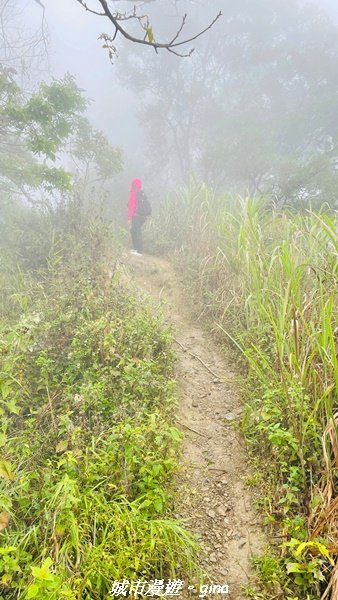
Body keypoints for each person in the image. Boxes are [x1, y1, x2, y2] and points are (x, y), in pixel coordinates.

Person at [127, 178, 151, 256]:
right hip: (143, 217)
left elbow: (131, 206)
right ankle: (136, 248)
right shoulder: (142, 193)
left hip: (136, 216)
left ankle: (139, 250)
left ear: (133, 185)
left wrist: (129, 218)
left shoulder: (134, 193)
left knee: (136, 232)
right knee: (134, 231)